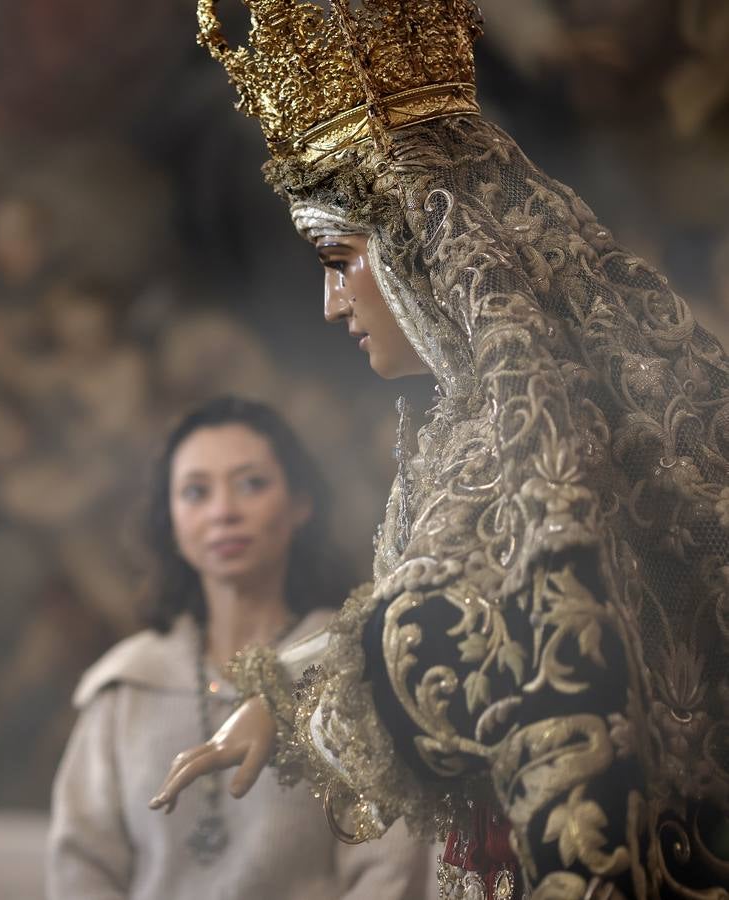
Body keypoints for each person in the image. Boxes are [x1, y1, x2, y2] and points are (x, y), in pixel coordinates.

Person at [151, 3, 729, 899]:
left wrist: (302, 698)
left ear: (423, 251)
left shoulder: (539, 430)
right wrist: (289, 693)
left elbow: (483, 652)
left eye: (340, 261)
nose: (332, 306)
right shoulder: (475, 423)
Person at [49, 396, 428, 899]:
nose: (224, 511)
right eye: (196, 491)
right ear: (171, 518)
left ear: (300, 504)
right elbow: (83, 864)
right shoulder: (127, 685)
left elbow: (388, 866)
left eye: (251, 484)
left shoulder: (352, 664)